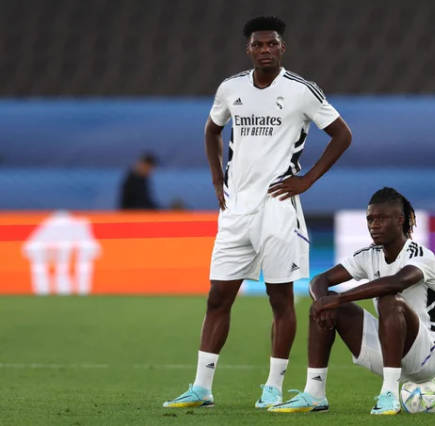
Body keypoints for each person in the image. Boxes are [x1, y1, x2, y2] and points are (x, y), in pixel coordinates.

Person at [163, 16, 352, 409]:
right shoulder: (231, 88)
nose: (265, 50)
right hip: (235, 209)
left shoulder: (302, 91)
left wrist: (307, 180)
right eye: (258, 45)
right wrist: (217, 179)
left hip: (278, 207)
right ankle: (201, 388)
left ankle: (273, 387)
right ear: (248, 49)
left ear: (283, 48)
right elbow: (212, 129)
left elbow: (342, 135)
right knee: (218, 297)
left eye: (272, 44)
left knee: (280, 298)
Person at [268, 187, 435, 415]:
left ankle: (389, 394)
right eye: (370, 219)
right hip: (390, 350)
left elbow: (396, 282)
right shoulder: (369, 255)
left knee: (388, 298)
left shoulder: (421, 255)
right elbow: (320, 279)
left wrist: (340, 298)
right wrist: (323, 301)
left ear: (400, 220)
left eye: (382, 218)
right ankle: (314, 393)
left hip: (428, 356)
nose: (374, 225)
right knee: (324, 301)